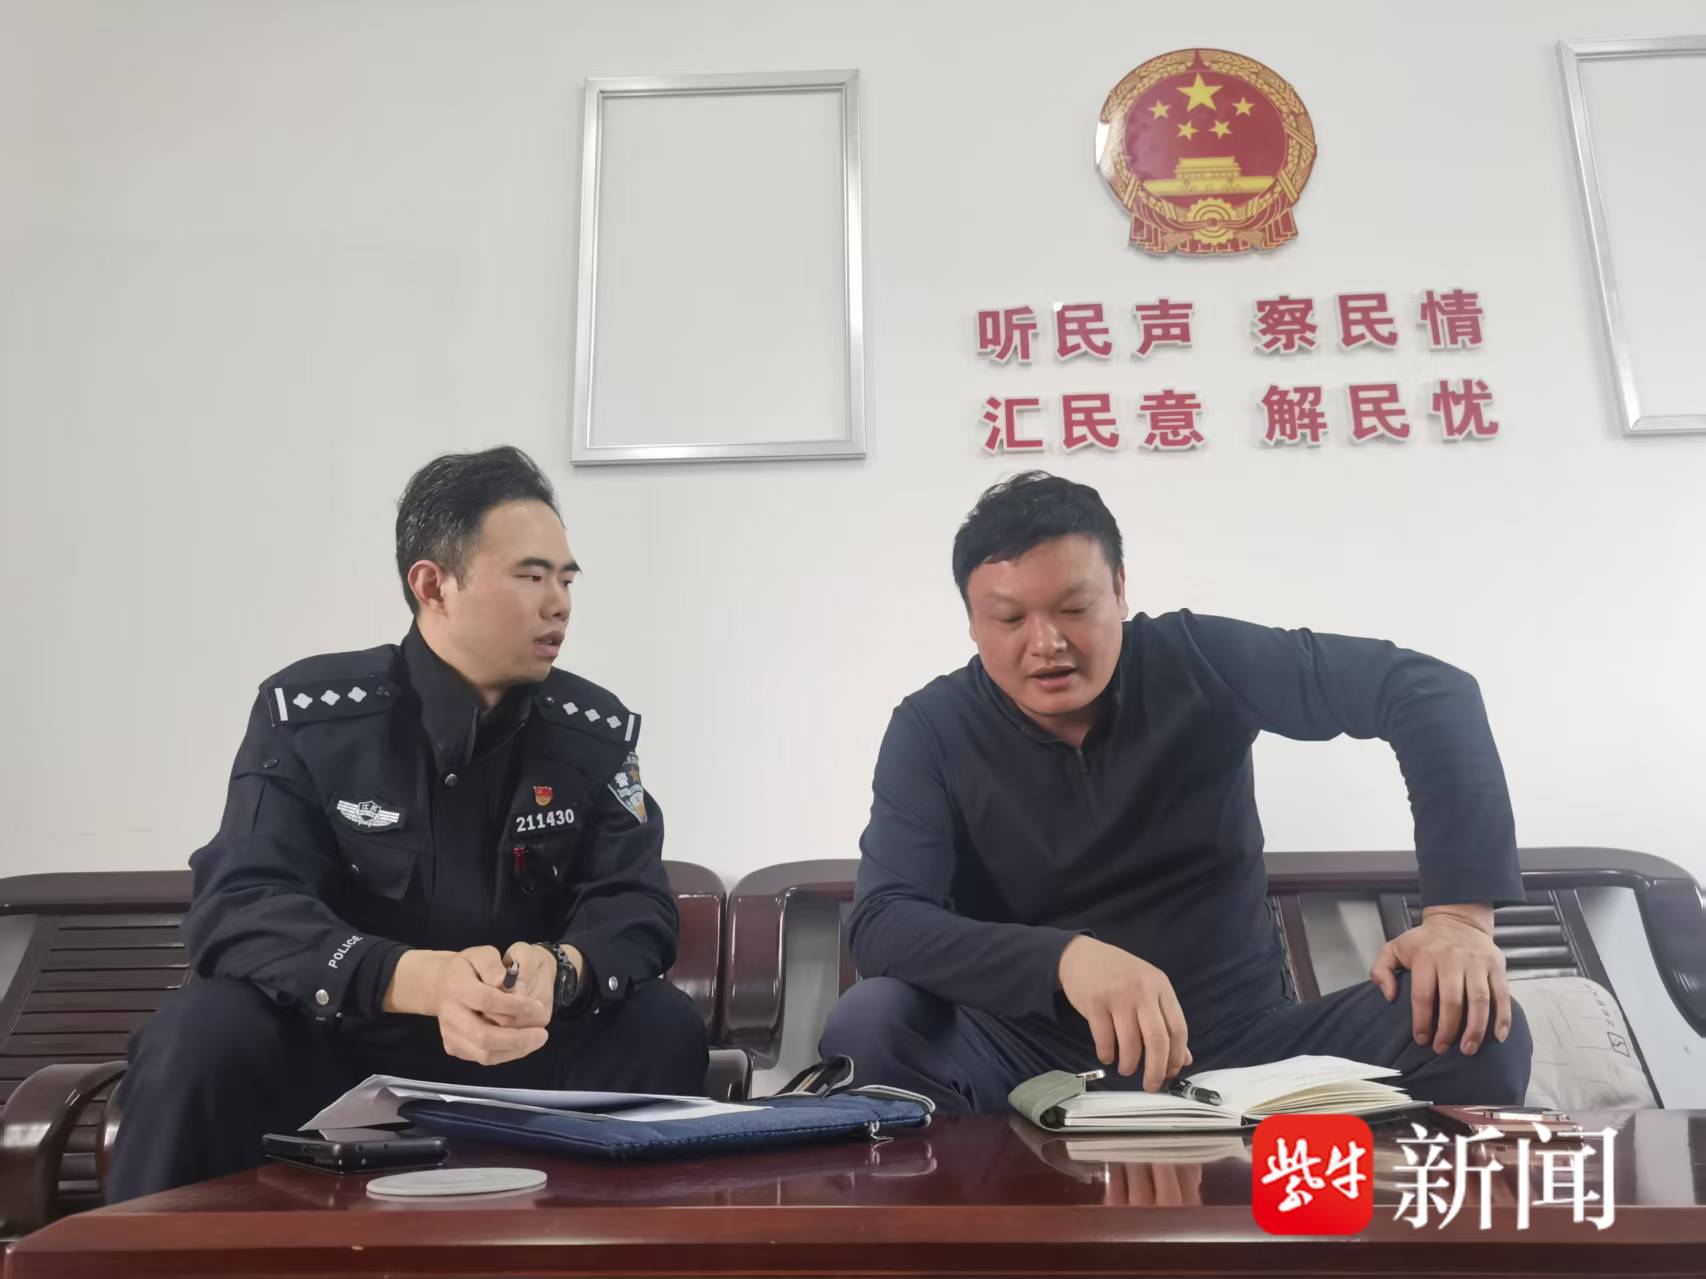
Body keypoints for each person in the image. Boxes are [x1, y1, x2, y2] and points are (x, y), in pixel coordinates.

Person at [820, 470, 1532, 1114]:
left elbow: (1426, 692)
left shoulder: (1197, 660)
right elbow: (884, 921)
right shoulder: (932, 728)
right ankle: (1010, 1212)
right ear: (972, 622)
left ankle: (1326, 1215)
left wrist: (1459, 921)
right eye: (1009, 619)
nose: (1045, 643)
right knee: (870, 1024)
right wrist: (1065, 959)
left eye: (1074, 607)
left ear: (1120, 588)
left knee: (1476, 1026)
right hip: (1029, 1061)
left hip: (1246, 1050)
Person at [109, 446, 706, 1199]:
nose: (559, 604)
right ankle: (147, 1252)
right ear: (432, 584)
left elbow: (636, 904)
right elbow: (242, 904)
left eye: (566, 579)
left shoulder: (593, 732)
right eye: (531, 577)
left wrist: (561, 970)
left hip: (524, 1051)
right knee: (200, 1034)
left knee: (662, 1024)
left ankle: (616, 1248)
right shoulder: (313, 718)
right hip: (338, 1044)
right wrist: (414, 978)